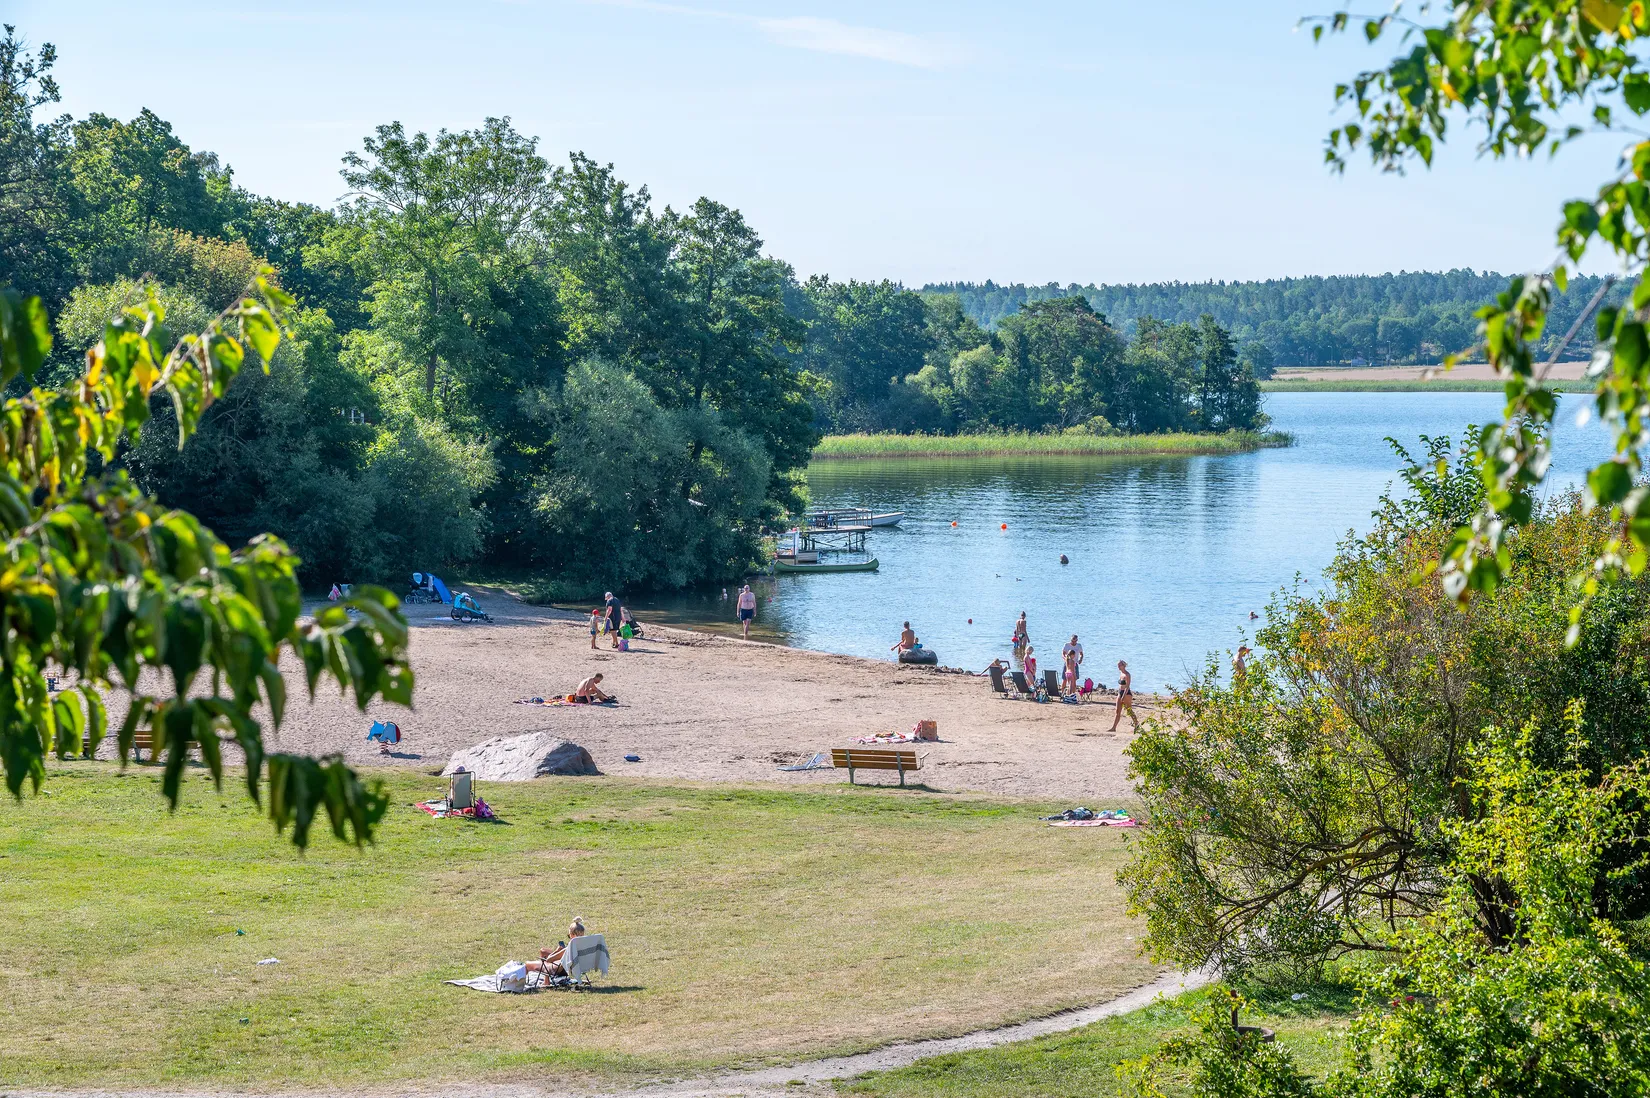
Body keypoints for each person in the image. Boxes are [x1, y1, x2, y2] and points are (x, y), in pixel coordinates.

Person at [527, 917, 587, 983]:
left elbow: (549, 960)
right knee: (543, 951)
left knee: (527, 964)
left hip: (556, 969)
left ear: (572, 935)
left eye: (569, 935)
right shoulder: (584, 947)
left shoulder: (568, 950)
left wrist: (557, 951)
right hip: (568, 967)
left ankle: (546, 981)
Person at [1109, 660, 1138, 731]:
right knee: (1117, 711)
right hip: (1120, 692)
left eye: (1119, 665)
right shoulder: (1121, 673)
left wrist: (1123, 696)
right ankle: (1114, 728)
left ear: (1123, 666)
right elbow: (1121, 685)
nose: (1118, 667)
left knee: (1129, 711)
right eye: (1118, 665)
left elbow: (1127, 687)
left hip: (1126, 694)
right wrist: (1119, 694)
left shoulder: (1127, 674)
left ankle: (1137, 725)